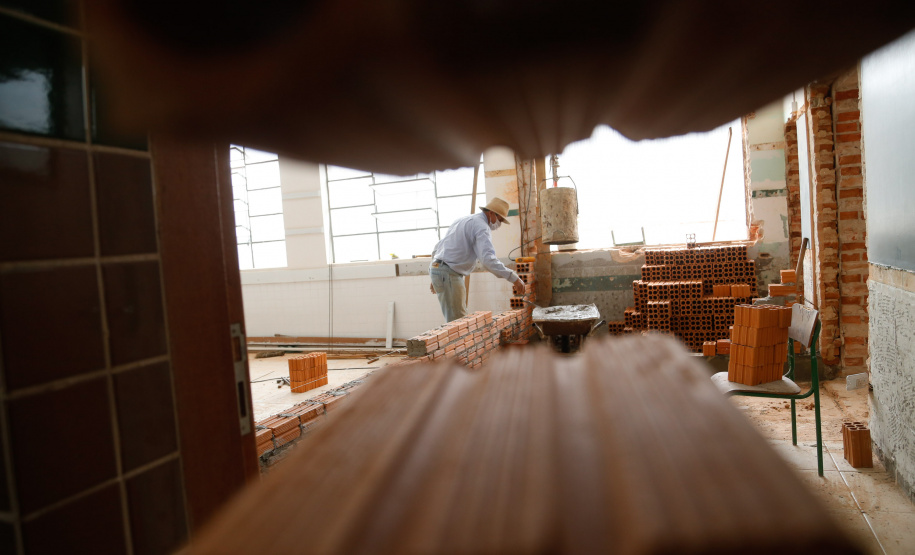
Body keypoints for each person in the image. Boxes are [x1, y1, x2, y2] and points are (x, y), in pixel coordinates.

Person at [429, 198, 526, 322]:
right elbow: (488, 260)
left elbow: (438, 248)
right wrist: (514, 278)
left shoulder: (463, 220)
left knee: (456, 322)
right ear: (491, 213)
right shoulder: (481, 227)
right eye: (500, 220)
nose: (499, 224)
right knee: (458, 324)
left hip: (441, 270)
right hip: (449, 273)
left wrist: (436, 274)